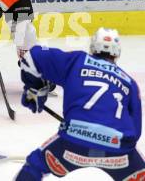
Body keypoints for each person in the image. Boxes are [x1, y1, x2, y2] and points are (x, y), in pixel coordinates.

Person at [16, 27, 144, 180]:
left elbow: (31, 57)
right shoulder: (129, 83)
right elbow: (135, 131)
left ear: (92, 46)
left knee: (35, 167)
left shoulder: (77, 61)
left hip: (73, 139)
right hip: (118, 147)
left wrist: (36, 89)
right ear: (117, 52)